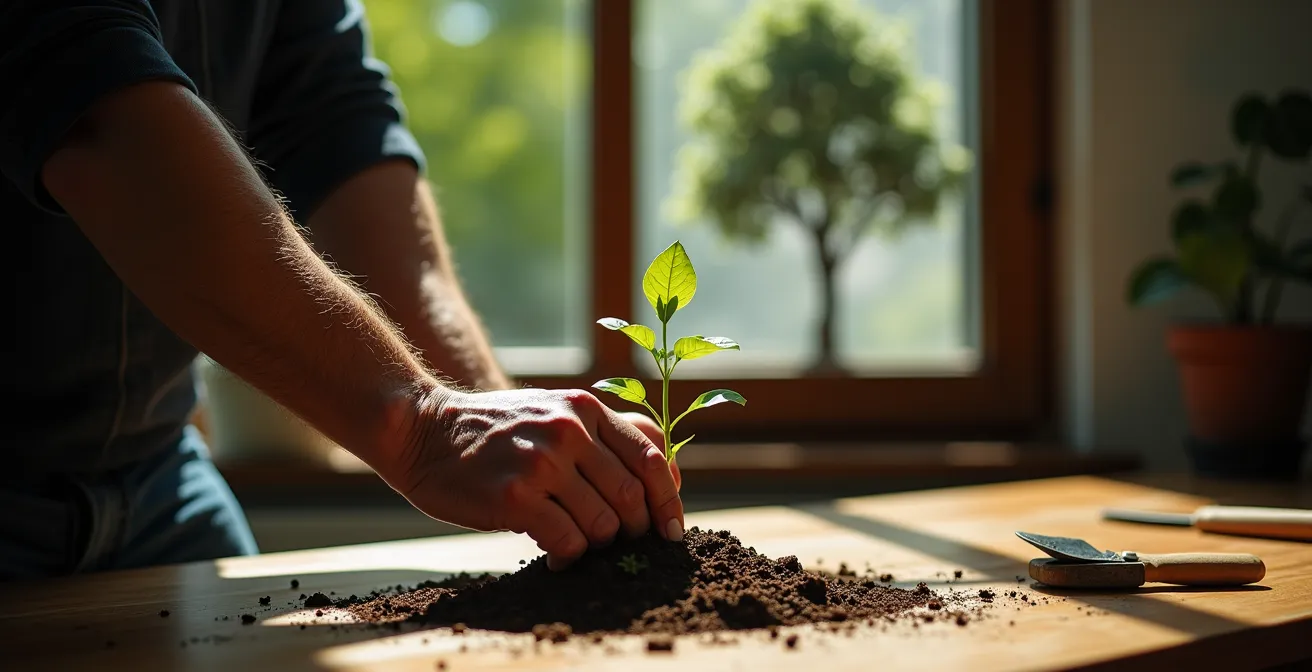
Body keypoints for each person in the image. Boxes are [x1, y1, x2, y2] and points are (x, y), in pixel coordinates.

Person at [0, 0, 683, 581]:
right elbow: (94, 109)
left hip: (156, 479)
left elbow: (336, 136)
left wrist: (510, 434)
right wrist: (421, 425)